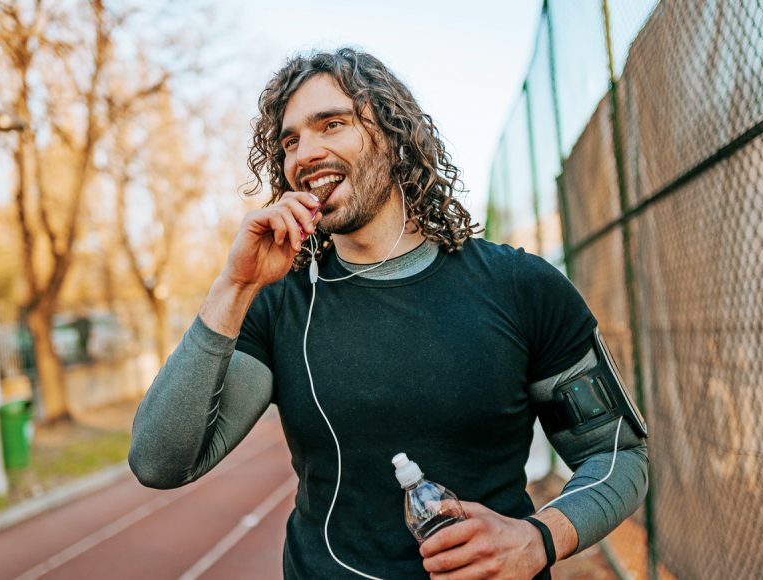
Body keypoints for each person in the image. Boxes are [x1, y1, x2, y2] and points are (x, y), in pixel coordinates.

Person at [129, 48, 648, 580]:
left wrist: (540, 538)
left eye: (332, 124)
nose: (305, 153)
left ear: (395, 136)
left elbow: (619, 456)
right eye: (290, 140)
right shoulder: (277, 305)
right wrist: (234, 286)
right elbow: (160, 462)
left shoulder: (521, 286)